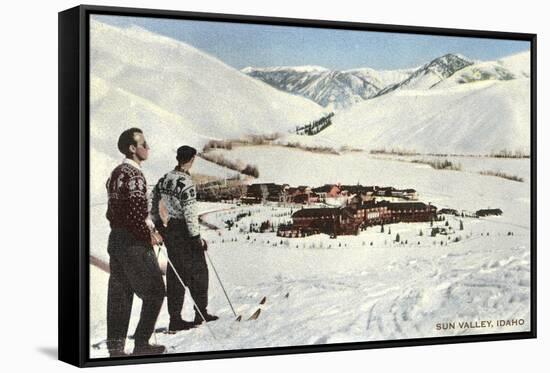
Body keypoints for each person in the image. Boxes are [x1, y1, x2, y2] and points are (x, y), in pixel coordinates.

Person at [105, 128, 166, 357]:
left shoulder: (116, 172)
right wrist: (149, 234)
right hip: (133, 243)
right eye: (144, 143)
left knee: (120, 295)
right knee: (156, 292)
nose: (147, 147)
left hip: (116, 240)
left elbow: (115, 211)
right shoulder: (135, 175)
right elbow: (134, 215)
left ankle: (116, 351)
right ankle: (141, 344)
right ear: (133, 148)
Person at [151, 145, 218, 332]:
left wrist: (158, 225)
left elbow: (152, 200)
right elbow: (190, 214)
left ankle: (175, 318)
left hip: (171, 229)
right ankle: (200, 313)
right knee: (199, 273)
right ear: (192, 159)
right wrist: (196, 238)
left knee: (176, 275)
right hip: (185, 232)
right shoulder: (186, 183)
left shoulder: (165, 178)